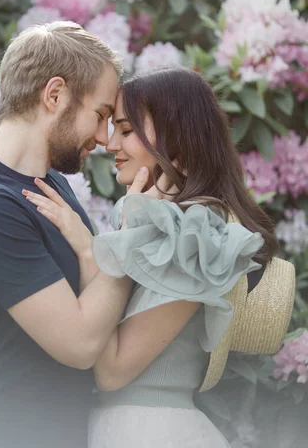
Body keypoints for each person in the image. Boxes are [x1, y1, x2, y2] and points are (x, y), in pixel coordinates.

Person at [23, 67, 281, 448]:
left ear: (177, 139)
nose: (110, 144)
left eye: (126, 131)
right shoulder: (151, 220)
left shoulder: (195, 234)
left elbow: (111, 370)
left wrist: (92, 249)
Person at [0, 21, 137, 448]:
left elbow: (97, 290)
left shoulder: (50, 185)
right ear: (54, 95)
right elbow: (82, 342)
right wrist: (132, 239)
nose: (104, 138)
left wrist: (95, 254)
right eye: (100, 115)